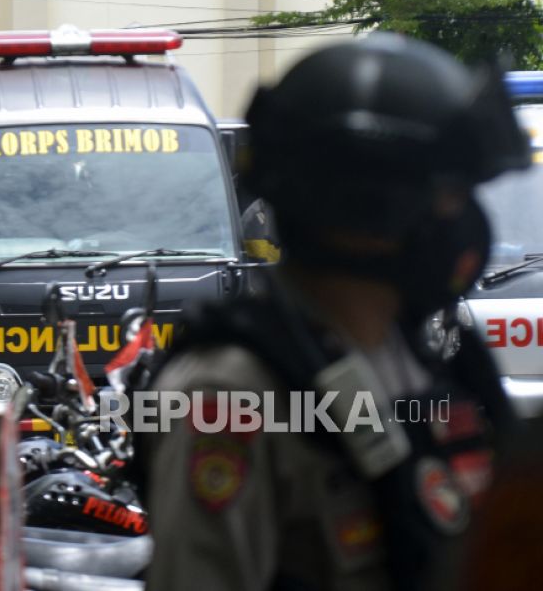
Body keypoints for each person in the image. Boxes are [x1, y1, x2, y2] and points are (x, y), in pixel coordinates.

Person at [141, 33, 529, 591]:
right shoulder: (230, 393)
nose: (464, 218)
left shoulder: (423, 357)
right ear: (370, 203)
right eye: (450, 194)